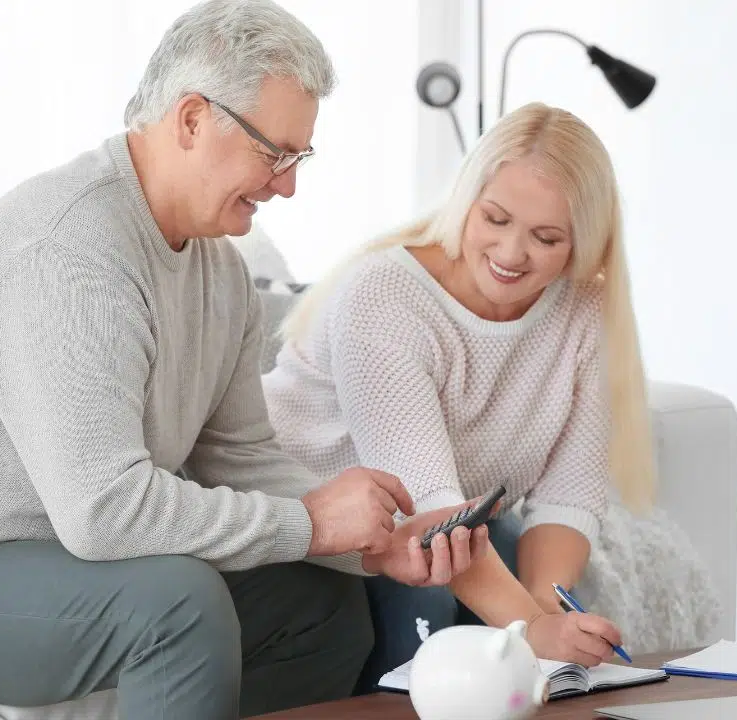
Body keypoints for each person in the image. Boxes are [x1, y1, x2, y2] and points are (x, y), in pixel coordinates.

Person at [0, 1, 486, 718]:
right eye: (275, 153)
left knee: (319, 604)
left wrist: (371, 546)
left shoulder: (223, 274)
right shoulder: (68, 250)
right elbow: (105, 512)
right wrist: (310, 525)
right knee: (177, 604)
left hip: (67, 561)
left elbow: (239, 459)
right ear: (191, 120)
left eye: (299, 157)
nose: (287, 184)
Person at [261, 101, 658, 692]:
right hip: (312, 525)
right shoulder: (383, 296)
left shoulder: (585, 309)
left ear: (583, 244)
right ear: (464, 200)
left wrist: (548, 623)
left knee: (504, 553)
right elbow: (426, 507)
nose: (511, 254)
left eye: (546, 237)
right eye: (494, 219)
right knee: (428, 605)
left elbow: (568, 497)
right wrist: (528, 629)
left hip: (441, 528)